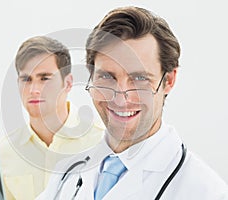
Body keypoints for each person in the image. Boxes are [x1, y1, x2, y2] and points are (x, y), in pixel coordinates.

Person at [37, 6, 228, 199]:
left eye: (139, 79)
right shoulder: (66, 175)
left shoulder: (205, 191)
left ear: (168, 81)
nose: (121, 99)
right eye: (106, 76)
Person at [0, 36, 104, 200]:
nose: (33, 89)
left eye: (44, 78)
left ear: (68, 83)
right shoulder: (3, 154)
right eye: (26, 79)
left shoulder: (101, 143)